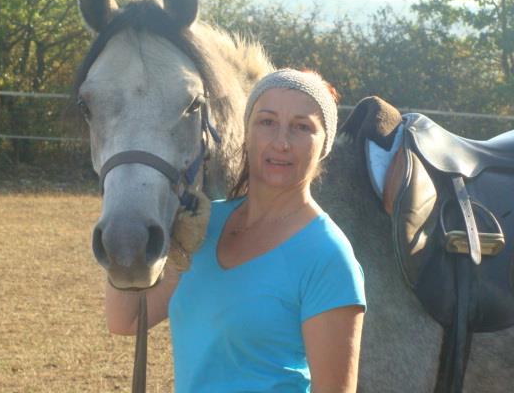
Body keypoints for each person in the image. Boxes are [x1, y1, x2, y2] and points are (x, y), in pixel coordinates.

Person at [105, 69, 366, 393]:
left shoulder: (328, 257)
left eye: (301, 127)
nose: (281, 142)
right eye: (267, 122)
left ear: (323, 143)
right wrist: (126, 211)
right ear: (247, 132)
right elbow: (126, 319)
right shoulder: (204, 224)